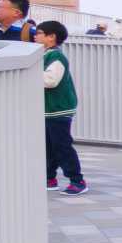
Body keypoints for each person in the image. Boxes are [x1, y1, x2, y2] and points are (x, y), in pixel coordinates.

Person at [35, 21, 86, 195]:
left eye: (39, 32)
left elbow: (50, 80)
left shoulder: (55, 56)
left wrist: (29, 75)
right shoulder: (44, 54)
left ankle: (77, 181)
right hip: (49, 109)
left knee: (62, 145)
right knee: (49, 145)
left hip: (59, 108)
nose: (35, 36)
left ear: (51, 37)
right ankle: (49, 178)